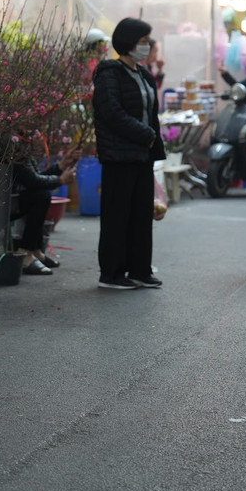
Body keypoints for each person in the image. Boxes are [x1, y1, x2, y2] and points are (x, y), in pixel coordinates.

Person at [92, 17, 166, 289]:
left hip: (142, 156)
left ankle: (139, 270)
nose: (147, 47)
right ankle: (111, 273)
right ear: (129, 42)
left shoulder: (143, 74)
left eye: (148, 41)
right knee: (117, 216)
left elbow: (150, 113)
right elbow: (111, 112)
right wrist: (145, 134)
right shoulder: (109, 74)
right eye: (143, 41)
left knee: (140, 215)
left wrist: (152, 143)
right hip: (119, 156)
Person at [11, 146, 79, 275]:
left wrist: (62, 165)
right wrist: (60, 180)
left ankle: (35, 250)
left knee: (40, 195)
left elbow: (35, 178)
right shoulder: (12, 142)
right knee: (40, 197)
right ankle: (25, 252)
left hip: (14, 195)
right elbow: (32, 181)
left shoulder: (21, 140)